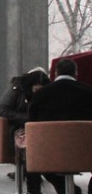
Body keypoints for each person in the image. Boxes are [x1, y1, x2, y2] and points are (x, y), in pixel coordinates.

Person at [26, 59, 92, 194]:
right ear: (76, 73)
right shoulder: (89, 93)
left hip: (49, 154)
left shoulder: (40, 95)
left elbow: (32, 123)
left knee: (35, 158)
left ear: (55, 73)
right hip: (85, 153)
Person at [0, 67, 50, 184]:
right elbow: (1, 110)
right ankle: (33, 184)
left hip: (41, 127)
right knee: (29, 145)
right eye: (36, 90)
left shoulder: (47, 92)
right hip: (20, 127)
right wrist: (27, 118)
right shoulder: (17, 89)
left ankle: (34, 178)